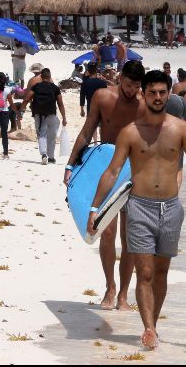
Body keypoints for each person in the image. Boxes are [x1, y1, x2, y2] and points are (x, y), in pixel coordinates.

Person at [87, 70, 186, 350]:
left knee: (161, 273)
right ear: (144, 94)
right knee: (145, 272)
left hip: (171, 208)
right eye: (152, 92)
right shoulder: (130, 132)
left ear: (168, 94)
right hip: (139, 207)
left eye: (162, 92)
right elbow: (112, 171)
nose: (157, 97)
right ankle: (147, 328)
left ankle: (154, 325)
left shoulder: (181, 129)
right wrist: (94, 207)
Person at [65, 60, 145, 311]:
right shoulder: (102, 97)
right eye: (129, 85)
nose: (132, 91)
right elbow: (87, 131)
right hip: (106, 169)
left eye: (137, 86)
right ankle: (110, 286)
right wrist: (70, 165)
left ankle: (123, 294)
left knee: (129, 237)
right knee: (106, 232)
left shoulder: (143, 104)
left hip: (133, 172)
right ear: (120, 78)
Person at [20, 68, 67, 163]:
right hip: (51, 114)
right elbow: (60, 103)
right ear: (50, 76)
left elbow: (26, 99)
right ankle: (51, 157)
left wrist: (21, 111)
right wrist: (64, 117)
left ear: (41, 76)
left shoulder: (36, 86)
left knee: (41, 135)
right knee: (52, 136)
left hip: (39, 115)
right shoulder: (55, 88)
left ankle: (44, 154)